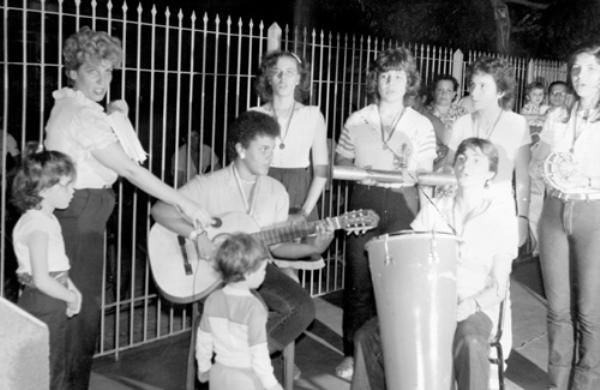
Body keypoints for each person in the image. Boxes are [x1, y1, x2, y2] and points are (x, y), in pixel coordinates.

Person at [43, 27, 210, 389]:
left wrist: (120, 114)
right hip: (80, 217)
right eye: (93, 71)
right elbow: (131, 169)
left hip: (85, 216)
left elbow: (119, 151)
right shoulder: (82, 114)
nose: (102, 80)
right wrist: (184, 200)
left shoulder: (76, 105)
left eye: (109, 71)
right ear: (72, 71)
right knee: (80, 317)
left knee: (80, 313)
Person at [151, 110, 333, 378]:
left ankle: (239, 365)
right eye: (263, 149)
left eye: (273, 149)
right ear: (241, 149)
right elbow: (160, 210)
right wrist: (197, 235)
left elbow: (276, 248)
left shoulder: (275, 191)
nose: (271, 156)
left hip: (257, 268)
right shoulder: (208, 184)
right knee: (243, 310)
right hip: (213, 274)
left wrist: (313, 248)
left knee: (303, 307)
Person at [351, 138, 518, 390]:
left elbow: (498, 287)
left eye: (476, 160)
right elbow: (406, 245)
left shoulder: (500, 216)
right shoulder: (438, 207)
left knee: (470, 340)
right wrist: (375, 241)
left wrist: (468, 305)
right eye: (461, 158)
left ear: (490, 173)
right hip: (428, 303)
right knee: (367, 336)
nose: (465, 165)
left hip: (474, 305)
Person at [334, 46, 437, 379]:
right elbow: (340, 164)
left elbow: (425, 175)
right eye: (384, 75)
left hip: (402, 207)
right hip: (363, 204)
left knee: (397, 286)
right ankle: (353, 353)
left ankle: (395, 352)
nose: (390, 82)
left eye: (398, 76)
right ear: (375, 80)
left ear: (410, 82)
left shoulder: (421, 124)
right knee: (358, 283)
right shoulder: (357, 118)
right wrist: (357, 169)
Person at [530, 44, 600, 390]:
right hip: (554, 211)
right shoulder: (556, 115)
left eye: (589, 69)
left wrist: (586, 177)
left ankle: (585, 384)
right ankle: (557, 384)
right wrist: (551, 164)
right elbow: (536, 163)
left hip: (593, 211)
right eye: (575, 70)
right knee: (557, 308)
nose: (581, 77)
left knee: (589, 311)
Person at [252, 51, 329, 277]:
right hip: (263, 191)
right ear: (268, 77)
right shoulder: (254, 114)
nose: (283, 78)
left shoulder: (313, 115)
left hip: (298, 195)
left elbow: (322, 172)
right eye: (277, 72)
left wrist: (304, 212)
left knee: (289, 268)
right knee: (258, 266)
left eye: (289, 72)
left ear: (298, 78)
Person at [11, 147, 83, 389]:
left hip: (52, 298)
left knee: (55, 364)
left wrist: (72, 290)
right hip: (43, 301)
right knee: (47, 370)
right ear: (42, 189)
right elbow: (41, 278)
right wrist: (70, 295)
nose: (72, 191)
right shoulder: (36, 226)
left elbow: (58, 265)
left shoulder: (47, 220)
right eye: (65, 185)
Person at [447, 56, 531, 248]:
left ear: (500, 91)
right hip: (464, 211)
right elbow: (449, 164)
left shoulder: (517, 124)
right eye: (472, 85)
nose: (474, 93)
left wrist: (523, 217)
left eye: (483, 86)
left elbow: (523, 177)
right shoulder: (462, 123)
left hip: (499, 211)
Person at [196, 233, 283, 390]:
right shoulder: (254, 308)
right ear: (248, 273)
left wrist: (204, 366)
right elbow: (259, 352)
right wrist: (271, 384)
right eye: (263, 269)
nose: (265, 273)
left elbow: (203, 337)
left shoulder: (213, 299)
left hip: (218, 373)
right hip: (247, 378)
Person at [427, 74, 469, 146]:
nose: (444, 94)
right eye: (440, 90)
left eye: (449, 91)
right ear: (433, 92)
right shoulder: (425, 112)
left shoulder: (462, 113)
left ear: (454, 94)